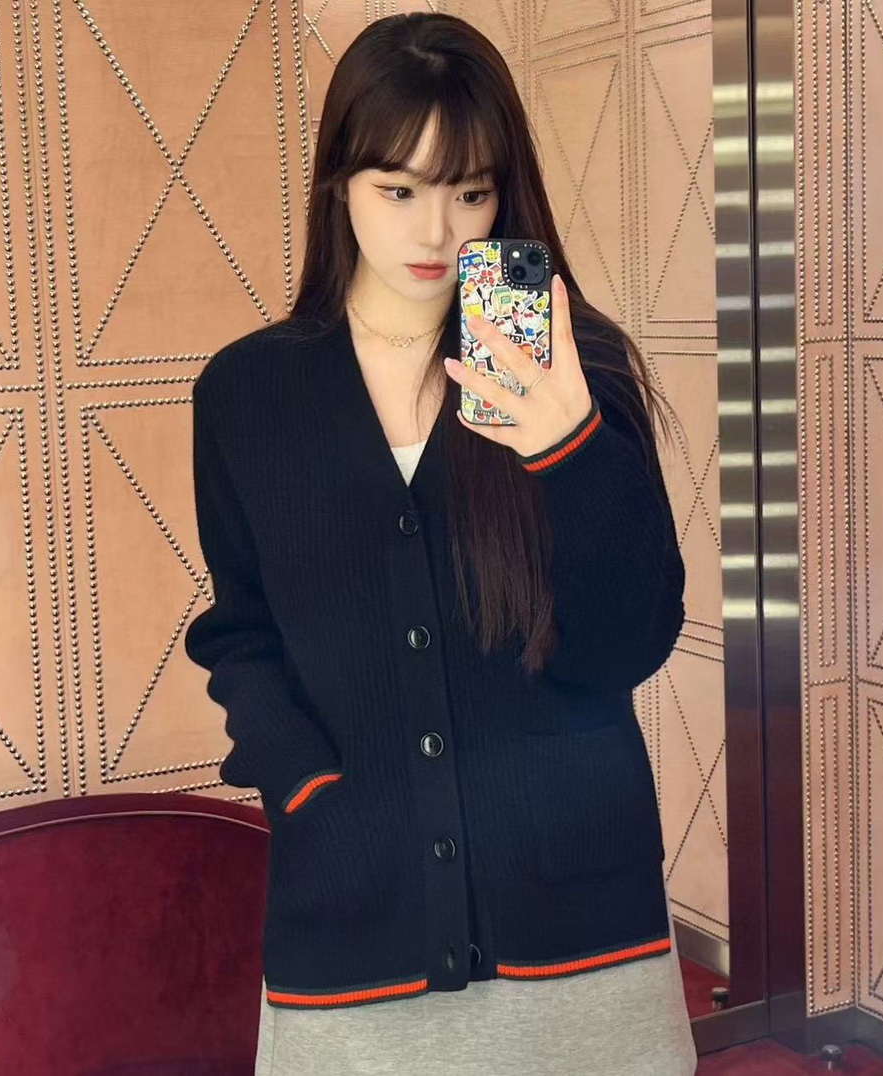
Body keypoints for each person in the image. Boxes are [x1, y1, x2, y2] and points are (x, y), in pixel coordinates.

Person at [184, 12, 696, 1076]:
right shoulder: (248, 393)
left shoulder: (577, 368)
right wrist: (304, 786)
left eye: (470, 192)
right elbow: (243, 630)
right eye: (400, 190)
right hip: (353, 921)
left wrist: (569, 449)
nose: (439, 232)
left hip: (580, 927)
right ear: (339, 184)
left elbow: (630, 644)